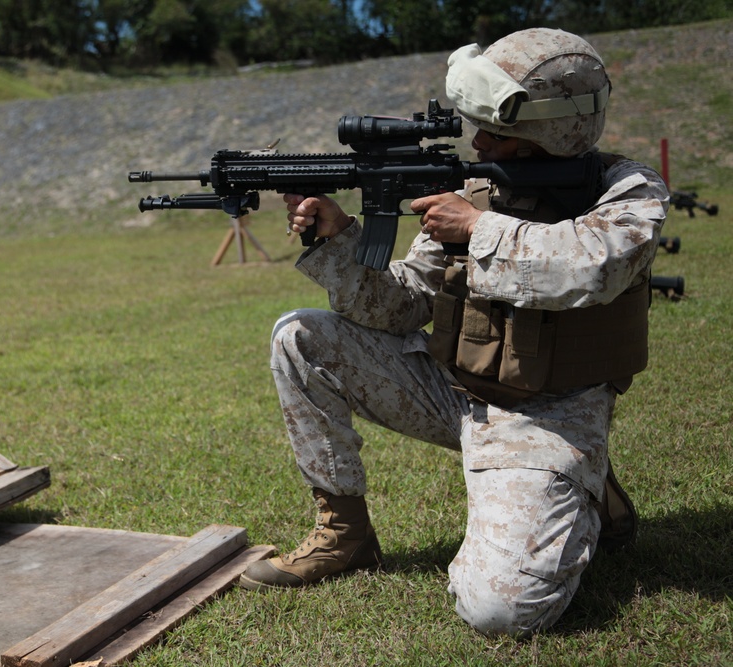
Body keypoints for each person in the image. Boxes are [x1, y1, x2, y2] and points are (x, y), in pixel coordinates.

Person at [238, 27, 669, 637]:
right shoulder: (478, 186)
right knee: (299, 335)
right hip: (451, 389)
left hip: (547, 415)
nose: (478, 140)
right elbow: (404, 305)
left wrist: (480, 229)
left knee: (498, 612)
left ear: (542, 132)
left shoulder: (625, 191)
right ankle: (345, 534)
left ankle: (582, 486)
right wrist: (338, 238)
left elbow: (594, 266)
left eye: (494, 130)